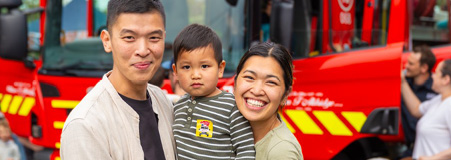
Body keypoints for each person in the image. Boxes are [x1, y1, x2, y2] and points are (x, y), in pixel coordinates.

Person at [60, 0, 176, 159]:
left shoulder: (163, 102)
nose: (142, 50)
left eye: (154, 37)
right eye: (129, 37)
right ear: (107, 41)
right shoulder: (87, 124)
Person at [171, 24, 255, 159]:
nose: (195, 75)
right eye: (186, 67)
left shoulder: (232, 107)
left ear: (220, 68)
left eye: (204, 66)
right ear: (175, 72)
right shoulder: (178, 107)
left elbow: (246, 151)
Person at [234, 42, 303, 159]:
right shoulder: (225, 129)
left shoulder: (282, 151)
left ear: (285, 94)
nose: (256, 90)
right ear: (235, 83)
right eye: (249, 77)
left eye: (271, 82)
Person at [401, 59, 451, 160]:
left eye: (436, 73)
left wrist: (434, 158)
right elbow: (416, 109)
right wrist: (403, 82)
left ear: (446, 79)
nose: (432, 75)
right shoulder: (439, 100)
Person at [400, 45, 437, 159]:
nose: (406, 66)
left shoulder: (436, 90)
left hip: (430, 151)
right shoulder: (403, 83)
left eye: (411, 64)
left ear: (424, 68)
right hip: (407, 148)